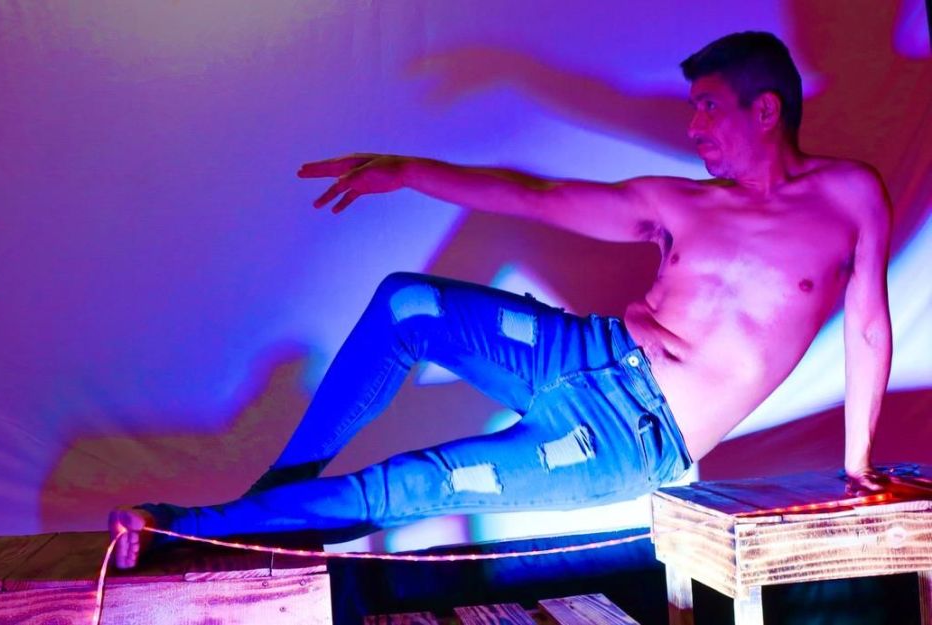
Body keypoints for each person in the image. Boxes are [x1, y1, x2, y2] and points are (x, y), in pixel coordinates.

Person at [108, 31, 893, 569]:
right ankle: (262, 514)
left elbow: (866, 324)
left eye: (708, 106)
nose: (693, 127)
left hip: (620, 437)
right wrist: (410, 171)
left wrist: (857, 463)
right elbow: (539, 196)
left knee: (410, 482)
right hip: (582, 349)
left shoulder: (848, 196)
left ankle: (177, 526)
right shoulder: (680, 202)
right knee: (408, 305)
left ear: (766, 108)